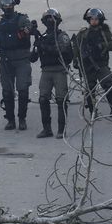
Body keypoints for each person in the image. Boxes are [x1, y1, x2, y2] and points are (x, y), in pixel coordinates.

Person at [0, 0, 34, 130]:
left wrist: (21, 34)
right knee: (7, 92)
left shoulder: (22, 19)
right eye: (5, 5)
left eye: (10, 4)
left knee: (22, 90)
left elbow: (28, 30)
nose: (8, 7)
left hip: (21, 60)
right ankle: (10, 119)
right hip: (6, 61)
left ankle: (22, 118)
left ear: (14, 5)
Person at [30, 8, 73, 138]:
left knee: (61, 100)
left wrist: (43, 46)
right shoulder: (42, 37)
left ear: (58, 21)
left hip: (59, 70)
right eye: (47, 19)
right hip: (46, 71)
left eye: (52, 19)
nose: (50, 21)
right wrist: (35, 45)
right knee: (43, 99)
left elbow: (61, 50)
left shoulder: (62, 36)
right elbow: (33, 58)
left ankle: (61, 130)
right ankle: (47, 129)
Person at [72, 7, 112, 118]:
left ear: (100, 20)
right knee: (90, 89)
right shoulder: (83, 33)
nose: (94, 21)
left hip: (101, 64)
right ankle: (92, 113)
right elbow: (76, 47)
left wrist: (101, 46)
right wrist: (76, 61)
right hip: (88, 65)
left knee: (108, 83)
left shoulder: (104, 32)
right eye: (91, 19)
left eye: (96, 19)